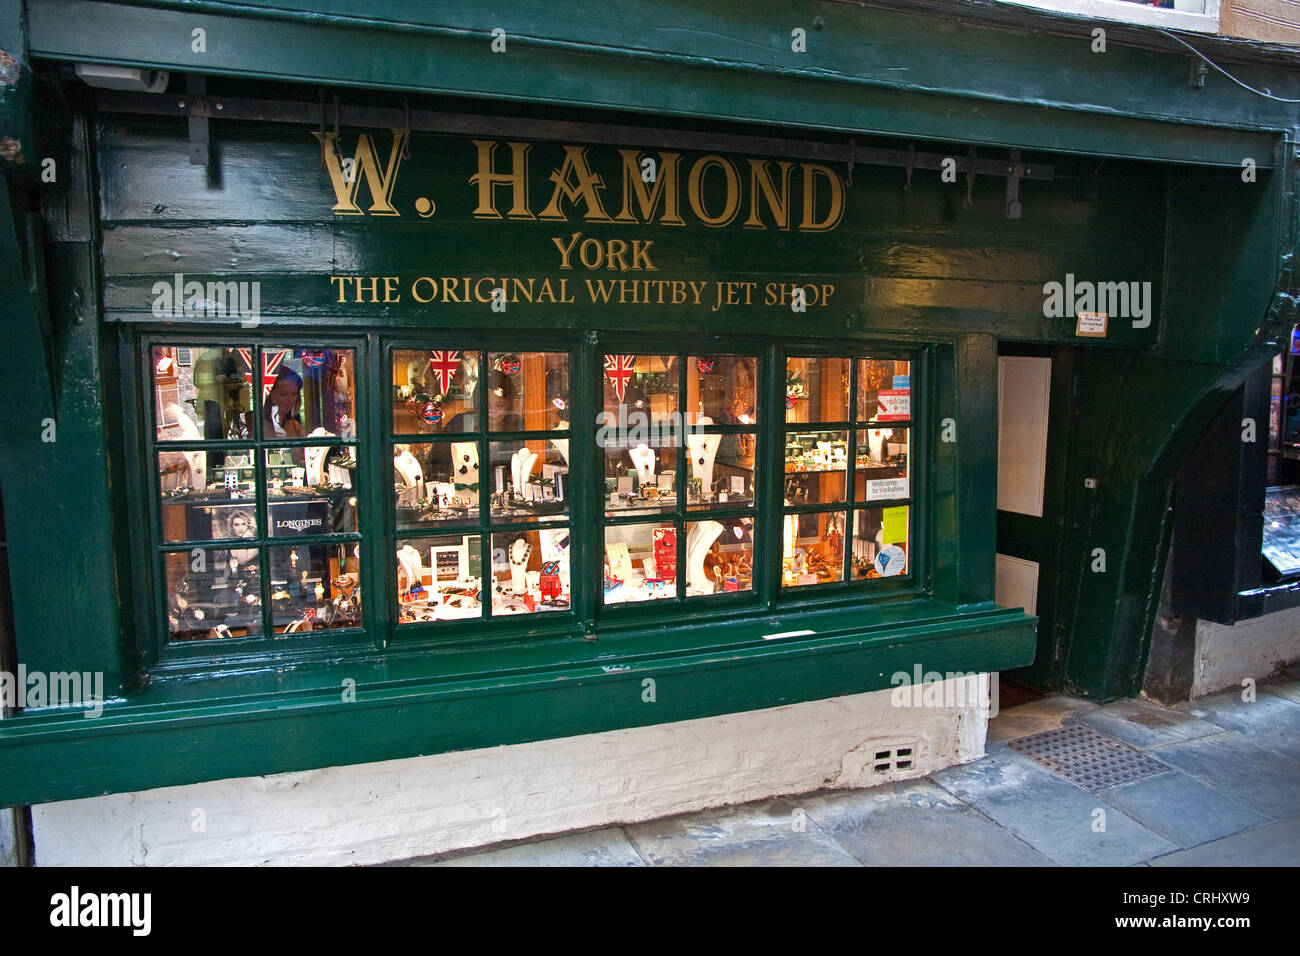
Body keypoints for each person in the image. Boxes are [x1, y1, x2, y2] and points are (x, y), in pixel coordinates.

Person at [264, 368, 305, 437]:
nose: (290, 400)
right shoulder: (256, 424)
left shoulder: (294, 426)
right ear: (269, 394)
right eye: (283, 394)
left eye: (294, 394)